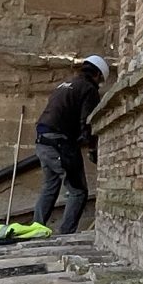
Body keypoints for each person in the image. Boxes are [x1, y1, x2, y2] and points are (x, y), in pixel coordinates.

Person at [32, 55, 108, 234]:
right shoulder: (88, 89)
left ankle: (36, 229)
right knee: (78, 191)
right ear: (97, 75)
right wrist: (92, 148)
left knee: (50, 186)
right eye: (100, 80)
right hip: (59, 143)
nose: (99, 84)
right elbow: (87, 122)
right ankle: (65, 234)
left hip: (42, 142)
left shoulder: (65, 85)